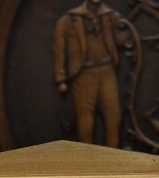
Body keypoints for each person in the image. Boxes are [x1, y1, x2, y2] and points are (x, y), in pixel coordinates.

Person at [52, 0, 128, 148]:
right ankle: (89, 167)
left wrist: (126, 31)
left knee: (114, 118)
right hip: (83, 76)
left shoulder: (110, 16)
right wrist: (60, 78)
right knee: (86, 124)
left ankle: (113, 163)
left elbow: (120, 40)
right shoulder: (68, 21)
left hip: (107, 72)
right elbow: (58, 51)